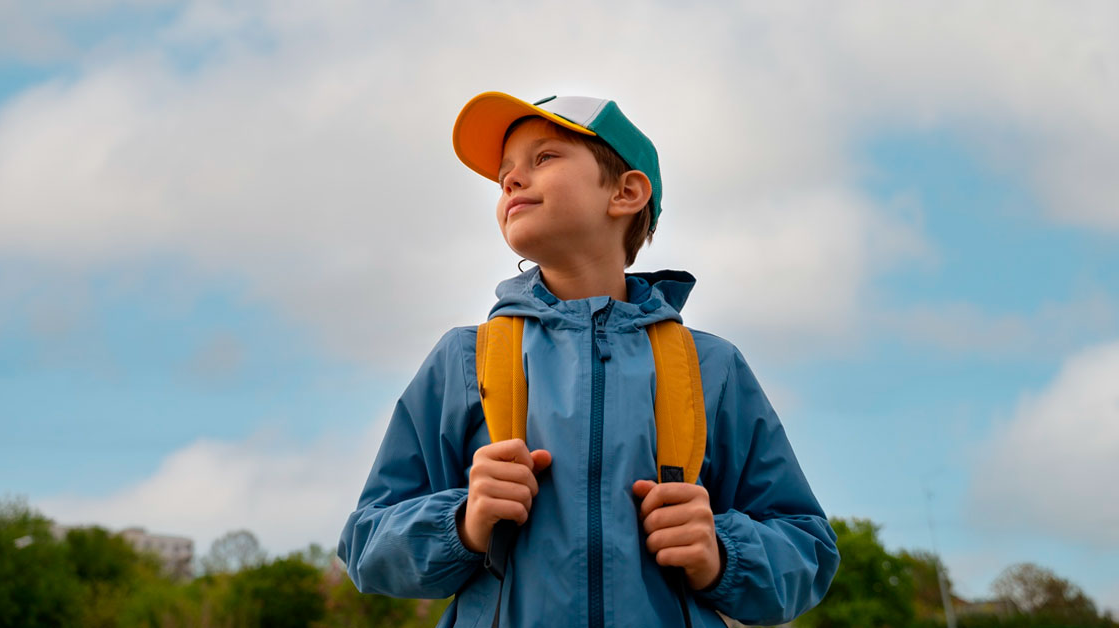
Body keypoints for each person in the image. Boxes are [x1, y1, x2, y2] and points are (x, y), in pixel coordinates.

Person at [337, 92, 839, 627]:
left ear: (626, 192)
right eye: (505, 171)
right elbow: (366, 543)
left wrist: (720, 553)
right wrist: (463, 521)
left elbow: (806, 549)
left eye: (543, 158)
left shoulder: (710, 368)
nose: (511, 179)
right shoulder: (464, 359)